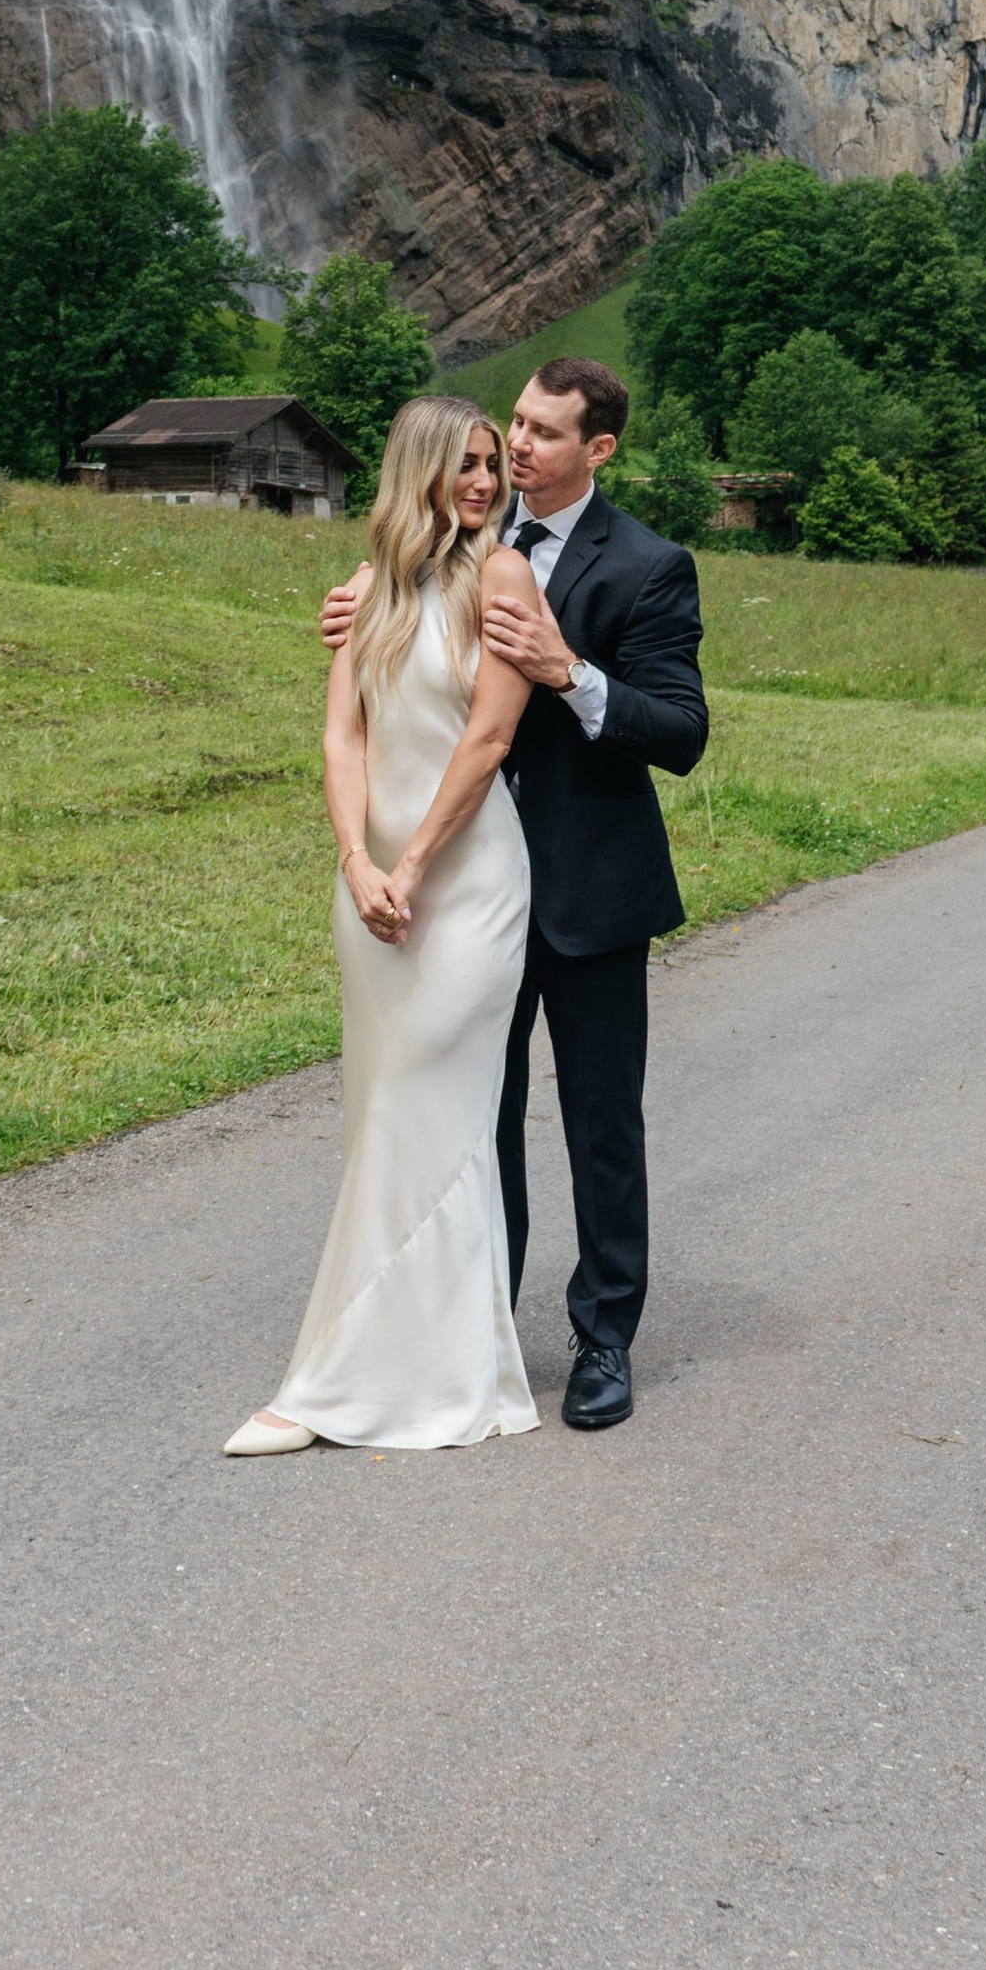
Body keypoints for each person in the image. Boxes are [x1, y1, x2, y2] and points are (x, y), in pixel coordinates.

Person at [320, 357, 709, 1435]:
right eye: (513, 427)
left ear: (600, 449)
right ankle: (476, 1327)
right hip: (465, 891)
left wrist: (568, 670)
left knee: (598, 1124)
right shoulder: (447, 554)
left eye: (542, 432)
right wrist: (362, 611)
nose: (518, 446)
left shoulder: (648, 565)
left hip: (589, 885)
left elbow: (680, 731)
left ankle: (602, 1340)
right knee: (470, 1121)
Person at [224, 398, 542, 1456]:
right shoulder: (362, 591)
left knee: (425, 1106)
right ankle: (429, 1363)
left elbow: (488, 738)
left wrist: (409, 866)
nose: (486, 482)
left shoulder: (503, 576)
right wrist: (355, 860)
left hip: (469, 885)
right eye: (467, 464)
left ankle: (336, 1382)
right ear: (418, 469)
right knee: (382, 1116)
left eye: (493, 465)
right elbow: (339, 735)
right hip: (372, 895)